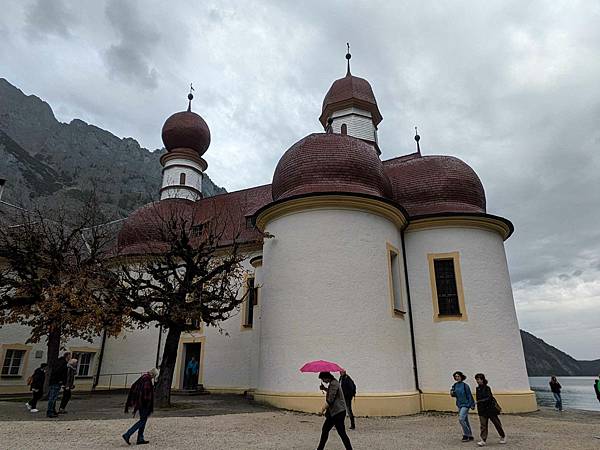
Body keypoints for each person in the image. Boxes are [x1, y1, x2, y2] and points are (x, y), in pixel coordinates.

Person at [316, 372, 353, 450]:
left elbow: (330, 399)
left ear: (326, 377)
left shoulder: (333, 384)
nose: (323, 381)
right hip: (334, 412)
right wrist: (324, 389)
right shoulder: (333, 382)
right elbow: (332, 393)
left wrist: (322, 410)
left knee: (341, 433)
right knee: (326, 430)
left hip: (337, 412)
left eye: (323, 379)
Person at [122, 368, 159, 445]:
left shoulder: (144, 377)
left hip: (140, 402)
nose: (154, 378)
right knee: (142, 420)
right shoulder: (147, 380)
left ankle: (140, 438)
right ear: (152, 374)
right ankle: (128, 434)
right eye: (154, 376)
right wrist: (148, 403)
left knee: (143, 420)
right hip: (144, 403)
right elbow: (146, 394)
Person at [474, 373, 506, 447]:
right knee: (483, 425)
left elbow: (489, 398)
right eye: (476, 379)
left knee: (497, 424)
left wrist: (479, 401)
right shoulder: (477, 389)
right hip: (482, 410)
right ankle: (483, 440)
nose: (477, 381)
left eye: (478, 379)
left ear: (482, 379)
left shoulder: (487, 388)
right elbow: (478, 399)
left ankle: (502, 436)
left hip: (490, 409)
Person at [450, 371, 475, 442]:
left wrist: (472, 404)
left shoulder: (465, 386)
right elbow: (454, 394)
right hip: (459, 404)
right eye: (456, 377)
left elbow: (469, 395)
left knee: (461, 419)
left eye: (458, 376)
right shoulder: (455, 385)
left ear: (461, 377)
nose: (457, 378)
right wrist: (452, 393)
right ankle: (470, 436)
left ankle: (466, 434)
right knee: (465, 420)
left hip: (466, 405)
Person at [46, 352, 71, 418]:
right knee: (53, 397)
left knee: (53, 397)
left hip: (54, 381)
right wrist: (62, 382)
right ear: (67, 356)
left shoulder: (59, 362)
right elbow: (61, 373)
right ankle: (50, 411)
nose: (70, 358)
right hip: (56, 382)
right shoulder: (62, 364)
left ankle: (52, 410)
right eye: (69, 356)